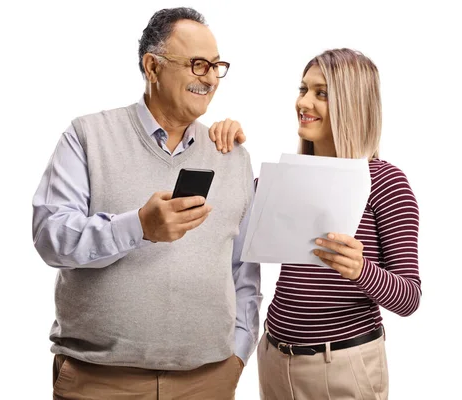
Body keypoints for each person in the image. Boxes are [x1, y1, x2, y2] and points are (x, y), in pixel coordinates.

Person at [32, 7, 262, 400]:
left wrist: (238, 354)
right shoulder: (88, 136)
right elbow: (51, 237)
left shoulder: (231, 154)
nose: (208, 77)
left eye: (215, 66)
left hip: (207, 381)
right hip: (101, 381)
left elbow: (243, 270)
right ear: (152, 67)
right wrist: (138, 227)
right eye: (196, 64)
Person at [210, 48, 421, 399]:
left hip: (342, 366)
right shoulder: (283, 177)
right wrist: (223, 153)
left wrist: (361, 270)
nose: (304, 102)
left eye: (321, 93)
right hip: (274, 358)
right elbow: (218, 220)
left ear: (352, 103)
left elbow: (409, 297)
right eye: (303, 89)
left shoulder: (385, 183)